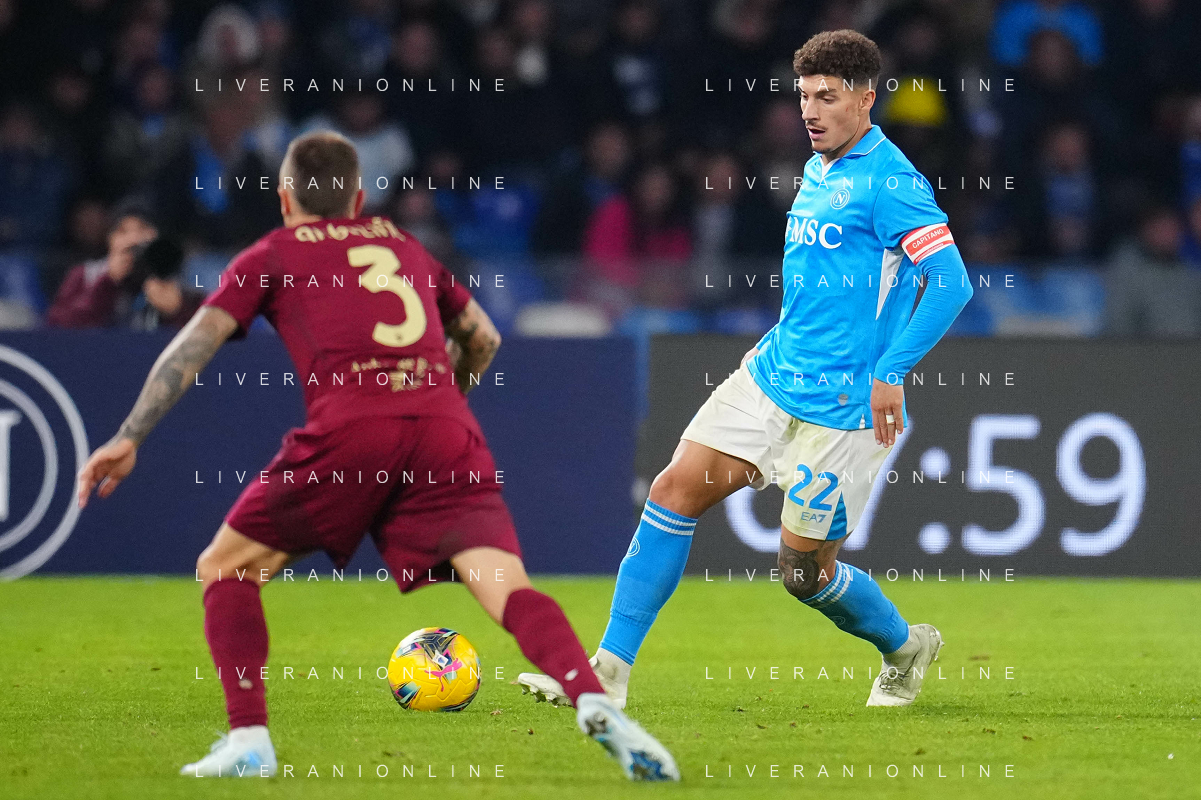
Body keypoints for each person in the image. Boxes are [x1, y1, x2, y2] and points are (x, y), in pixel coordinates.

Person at [76, 131, 678, 782]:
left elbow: (194, 345)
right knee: (506, 586)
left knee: (226, 567)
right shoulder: (403, 246)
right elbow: (482, 337)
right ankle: (591, 697)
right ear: (358, 199)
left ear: (284, 198)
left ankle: (248, 739)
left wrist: (128, 436)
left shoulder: (272, 253)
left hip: (350, 428)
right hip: (444, 428)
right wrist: (437, 403)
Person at [518, 30, 973, 710]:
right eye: (804, 97)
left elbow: (950, 283)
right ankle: (607, 673)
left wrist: (892, 370)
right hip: (770, 377)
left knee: (803, 574)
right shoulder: (818, 168)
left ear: (865, 98)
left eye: (827, 97)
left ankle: (904, 647)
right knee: (672, 491)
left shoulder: (891, 182)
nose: (810, 111)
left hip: (843, 407)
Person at [46, 202, 204, 330]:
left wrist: (177, 311)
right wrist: (107, 284)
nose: (133, 239)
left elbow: (210, 334)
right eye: (122, 231)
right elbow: (56, 331)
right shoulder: (86, 275)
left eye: (143, 228)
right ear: (109, 239)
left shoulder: (183, 276)